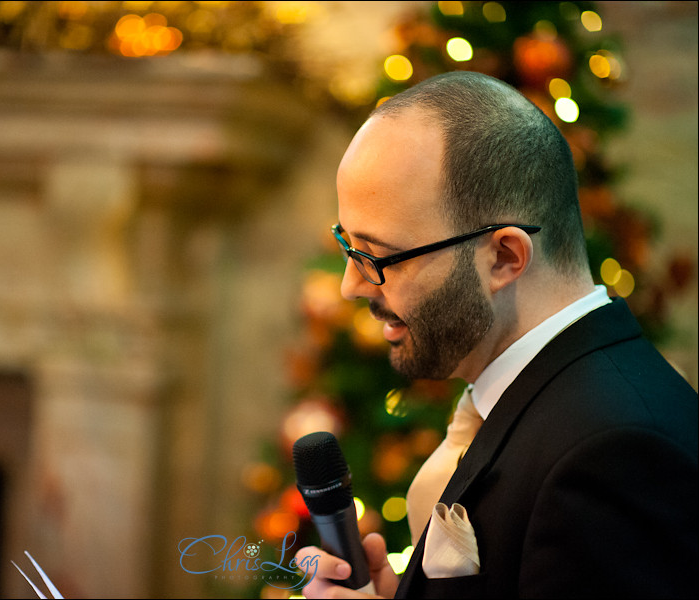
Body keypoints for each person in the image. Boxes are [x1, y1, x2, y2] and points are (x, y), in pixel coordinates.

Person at [295, 71, 698, 599]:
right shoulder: (547, 398)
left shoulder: (615, 453)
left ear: (505, 257)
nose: (350, 285)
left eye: (376, 256)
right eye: (347, 247)